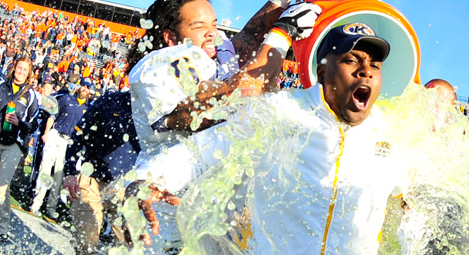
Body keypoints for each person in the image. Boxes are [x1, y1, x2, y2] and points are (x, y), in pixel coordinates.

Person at [127, 22, 406, 254]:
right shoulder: (282, 111)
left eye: (375, 65)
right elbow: (201, 152)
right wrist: (148, 178)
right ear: (322, 71)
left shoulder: (393, 135)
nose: (366, 70)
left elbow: (414, 199)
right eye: (351, 60)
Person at [124, 0, 340, 251]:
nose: (212, 33)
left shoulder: (206, 53)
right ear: (170, 37)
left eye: (213, 24)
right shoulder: (164, 62)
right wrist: (281, 35)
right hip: (169, 207)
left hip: (210, 209)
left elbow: (247, 38)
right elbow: (240, 94)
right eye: (199, 26)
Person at [61, 90, 140, 255]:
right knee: (85, 245)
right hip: (91, 179)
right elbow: (78, 134)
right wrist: (69, 172)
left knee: (127, 247)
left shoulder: (155, 110)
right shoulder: (109, 100)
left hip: (126, 187)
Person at [0, 56, 39, 240]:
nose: (21, 72)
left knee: (2, 186)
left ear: (29, 73)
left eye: (25, 70)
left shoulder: (31, 95)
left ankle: (3, 228)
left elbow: (33, 124)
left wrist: (20, 123)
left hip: (13, 145)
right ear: (14, 68)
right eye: (19, 68)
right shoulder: (0, 86)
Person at [29, 77, 93, 218]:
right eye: (83, 86)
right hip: (56, 135)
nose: (84, 89)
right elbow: (52, 116)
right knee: (45, 170)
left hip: (69, 144)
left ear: (90, 90)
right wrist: (46, 133)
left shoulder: (89, 109)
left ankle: (51, 207)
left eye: (87, 87)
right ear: (79, 86)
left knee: (59, 177)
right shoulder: (66, 99)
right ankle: (36, 203)